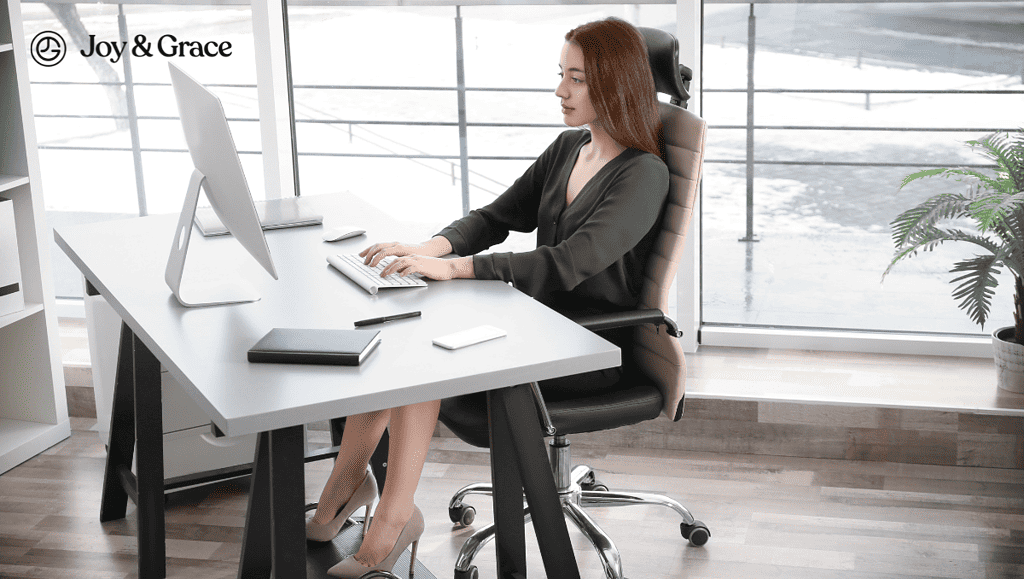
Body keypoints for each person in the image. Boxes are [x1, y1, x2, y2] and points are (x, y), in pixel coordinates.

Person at [310, 16, 669, 578]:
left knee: (421, 356)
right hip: (534, 324)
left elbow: (567, 263)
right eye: (561, 75)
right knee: (397, 331)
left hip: (586, 348)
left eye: (576, 79)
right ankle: (346, 485)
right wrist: (429, 246)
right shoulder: (569, 148)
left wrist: (453, 270)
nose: (560, 91)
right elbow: (496, 217)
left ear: (614, 83)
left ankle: (393, 519)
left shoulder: (644, 174)